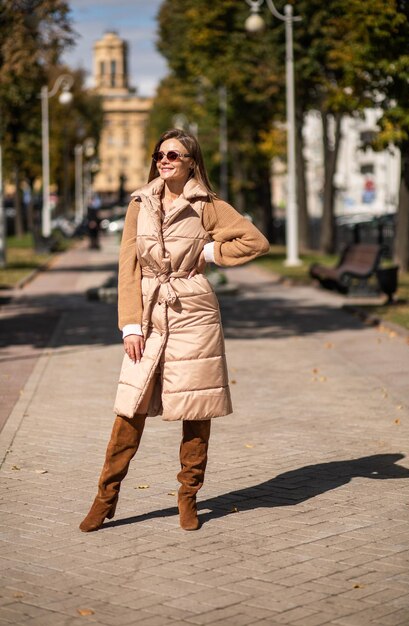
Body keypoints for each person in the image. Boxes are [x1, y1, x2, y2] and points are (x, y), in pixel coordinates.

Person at [79, 129, 270, 533]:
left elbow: (254, 241)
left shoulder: (208, 205)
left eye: (174, 155)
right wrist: (130, 325)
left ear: (190, 162)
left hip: (193, 312)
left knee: (196, 410)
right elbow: (127, 267)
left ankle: (188, 497)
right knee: (129, 410)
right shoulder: (139, 202)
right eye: (160, 154)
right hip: (148, 313)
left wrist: (209, 251)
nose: (164, 160)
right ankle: (105, 498)